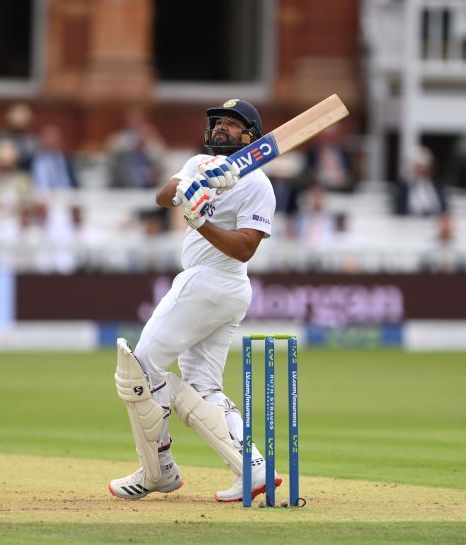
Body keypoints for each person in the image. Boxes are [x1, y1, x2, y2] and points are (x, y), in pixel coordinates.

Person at [108, 99, 277, 503]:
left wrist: (202, 222)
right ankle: (252, 469)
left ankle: (158, 470)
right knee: (204, 386)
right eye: (217, 122)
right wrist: (191, 185)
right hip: (221, 290)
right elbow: (163, 197)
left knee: (139, 368)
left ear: (251, 136)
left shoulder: (258, 184)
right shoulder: (200, 162)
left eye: (232, 124)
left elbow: (245, 249)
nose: (220, 128)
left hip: (214, 280)